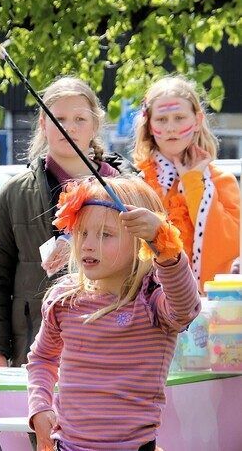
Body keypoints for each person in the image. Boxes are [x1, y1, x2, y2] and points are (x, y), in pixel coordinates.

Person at [27, 176, 200, 450]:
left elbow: (186, 309)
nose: (88, 245)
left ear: (140, 243)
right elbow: (42, 358)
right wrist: (39, 405)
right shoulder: (64, 299)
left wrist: (164, 244)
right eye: (82, 232)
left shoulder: (151, 299)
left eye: (105, 234)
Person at [0, 76, 134, 367]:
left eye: (79, 118)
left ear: (95, 125)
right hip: (38, 350)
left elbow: (152, 264)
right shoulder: (15, 193)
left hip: (116, 345)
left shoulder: (128, 187)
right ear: (42, 123)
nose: (69, 127)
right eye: (58, 118)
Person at [132, 75, 240, 289]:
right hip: (149, 306)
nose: (171, 128)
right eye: (162, 119)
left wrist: (192, 182)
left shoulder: (222, 181)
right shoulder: (139, 185)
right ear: (149, 126)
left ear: (197, 121)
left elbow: (228, 246)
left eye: (179, 117)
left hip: (206, 306)